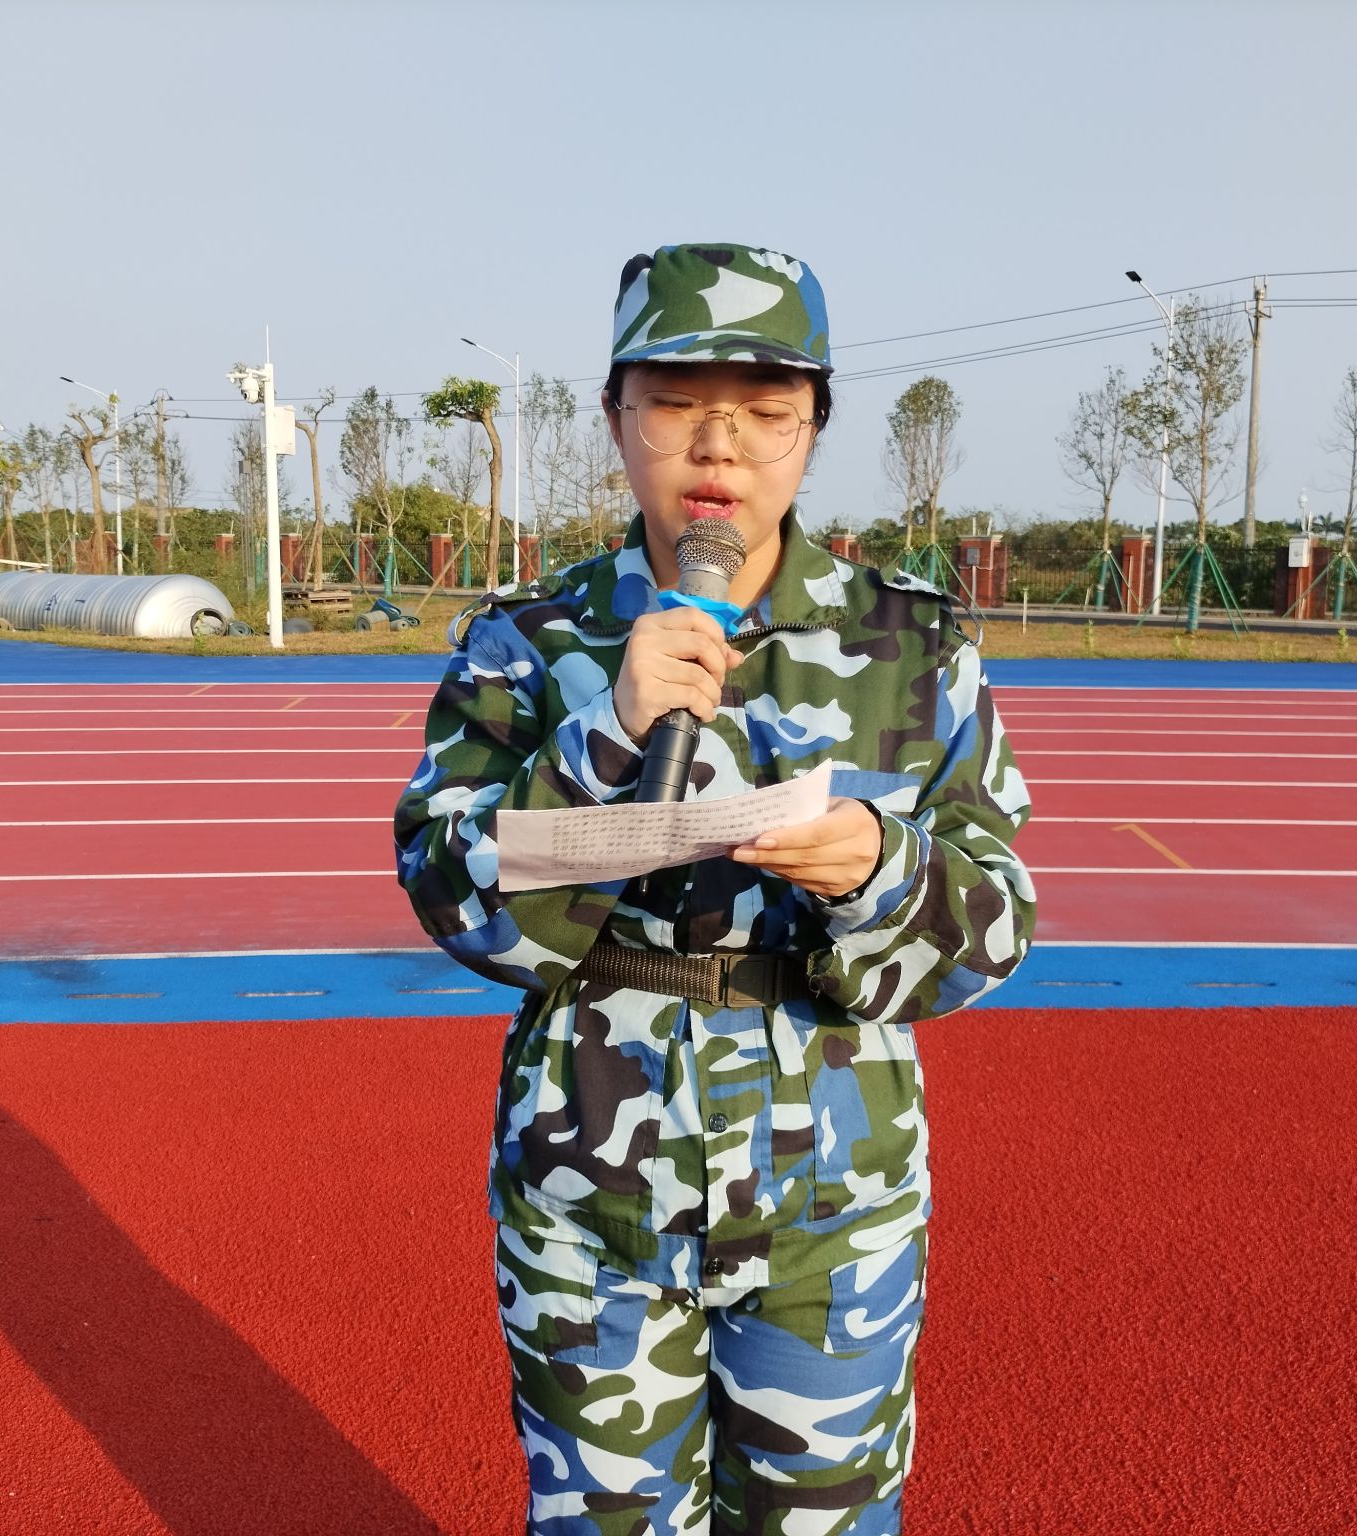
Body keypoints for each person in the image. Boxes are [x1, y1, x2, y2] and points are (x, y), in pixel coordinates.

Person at [394, 242, 1035, 1534]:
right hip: (590, 1194)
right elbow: (453, 899)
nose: (718, 448)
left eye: (766, 412)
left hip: (834, 1201)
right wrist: (601, 741)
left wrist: (880, 872)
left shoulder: (911, 645)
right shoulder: (533, 640)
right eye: (676, 404)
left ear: (814, 429)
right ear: (615, 416)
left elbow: (997, 926)